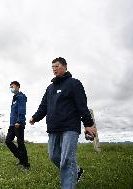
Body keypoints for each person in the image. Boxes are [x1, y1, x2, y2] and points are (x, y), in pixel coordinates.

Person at [29, 57, 96, 189]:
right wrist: (35, 117)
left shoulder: (74, 83)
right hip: (54, 127)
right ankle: (76, 171)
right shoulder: (50, 88)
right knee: (54, 156)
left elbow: (81, 105)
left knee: (66, 159)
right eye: (52, 67)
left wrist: (88, 124)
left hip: (70, 127)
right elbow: (44, 106)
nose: (54, 69)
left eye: (57, 66)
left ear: (65, 66)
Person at [5, 81, 30, 170]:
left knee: (20, 143)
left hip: (18, 123)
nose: (11, 88)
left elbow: (22, 109)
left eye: (13, 86)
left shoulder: (21, 97)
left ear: (18, 87)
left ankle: (25, 164)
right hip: (12, 124)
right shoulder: (14, 98)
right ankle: (21, 158)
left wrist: (19, 121)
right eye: (10, 87)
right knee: (8, 141)